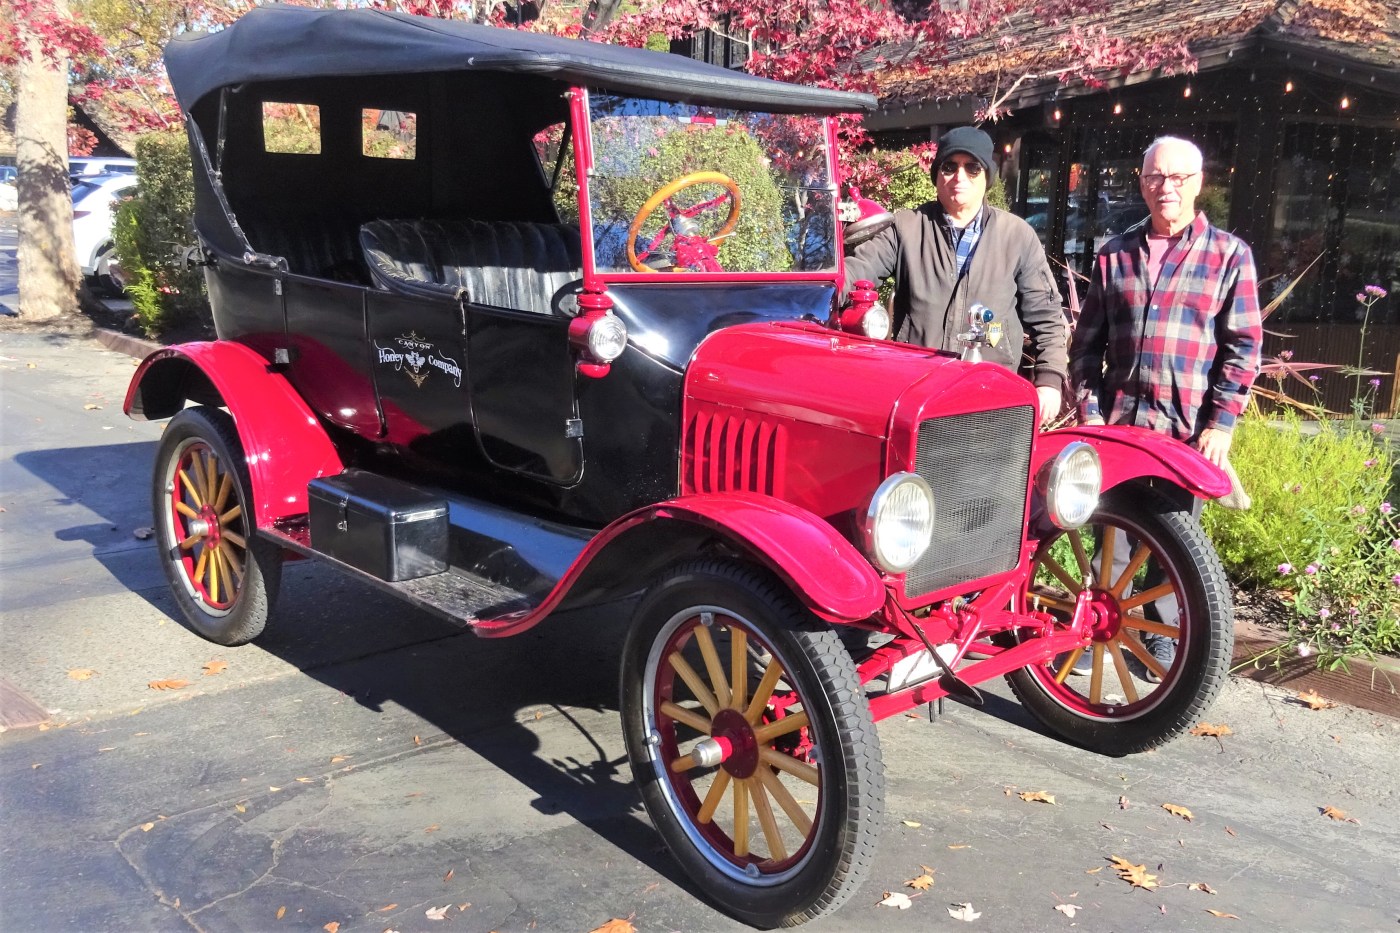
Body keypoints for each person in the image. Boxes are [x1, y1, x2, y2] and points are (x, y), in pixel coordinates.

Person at [1068, 135, 1263, 680]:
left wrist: (1221, 425)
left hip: (1185, 430)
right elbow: (1085, 346)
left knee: (1174, 546)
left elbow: (1244, 346)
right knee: (1111, 540)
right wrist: (1090, 411)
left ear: (1199, 184)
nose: (1166, 187)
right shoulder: (1114, 256)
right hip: (1121, 425)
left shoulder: (1229, 256)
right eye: (1156, 176)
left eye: (1178, 177)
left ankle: (1162, 647)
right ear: (1142, 181)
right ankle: (1092, 635)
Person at [844, 126, 1069, 427]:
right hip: (917, 395)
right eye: (949, 166)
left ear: (987, 176)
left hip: (991, 397)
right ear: (937, 175)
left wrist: (1049, 381)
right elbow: (856, 271)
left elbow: (1047, 316)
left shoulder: (1017, 236)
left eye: (972, 167)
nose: (959, 176)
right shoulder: (907, 228)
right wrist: (816, 292)